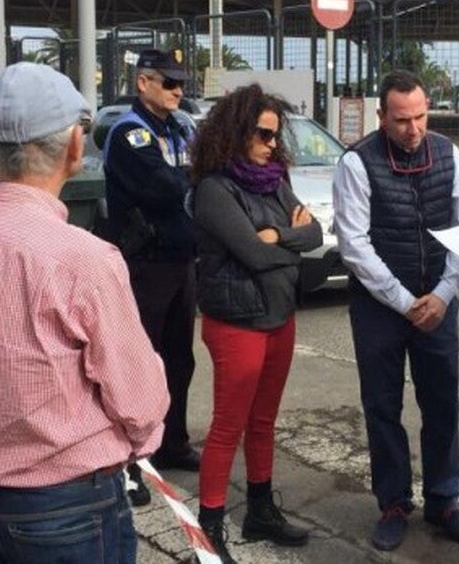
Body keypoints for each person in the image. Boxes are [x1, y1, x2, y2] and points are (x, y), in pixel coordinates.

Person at [0, 62, 169, 564]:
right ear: (76, 146)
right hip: (69, 506)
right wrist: (141, 441)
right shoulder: (84, 258)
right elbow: (138, 395)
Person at [333, 70, 459, 552]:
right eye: (401, 120)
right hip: (380, 306)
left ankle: (444, 500)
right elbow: (354, 245)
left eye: (420, 117)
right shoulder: (356, 163)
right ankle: (394, 502)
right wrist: (403, 301)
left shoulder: (450, 153)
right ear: (382, 117)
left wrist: (442, 293)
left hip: (439, 300)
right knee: (382, 405)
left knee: (442, 402)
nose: (413, 129)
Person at [189, 84, 322, 563]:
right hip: (237, 323)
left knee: (264, 422)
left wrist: (281, 236)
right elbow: (250, 251)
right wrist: (289, 247)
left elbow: (316, 233)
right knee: (229, 425)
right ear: (237, 131)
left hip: (278, 316)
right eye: (264, 134)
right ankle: (209, 527)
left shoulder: (274, 180)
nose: (271, 144)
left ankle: (260, 510)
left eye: (275, 135)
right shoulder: (214, 188)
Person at [103, 48, 201, 501]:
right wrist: (192, 175)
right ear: (143, 83)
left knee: (180, 360)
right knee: (140, 366)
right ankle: (131, 463)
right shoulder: (130, 134)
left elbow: (191, 176)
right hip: (146, 265)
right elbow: (166, 189)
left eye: (181, 83)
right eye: (169, 82)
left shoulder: (177, 129)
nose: (179, 90)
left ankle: (172, 442)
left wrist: (189, 174)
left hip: (180, 263)